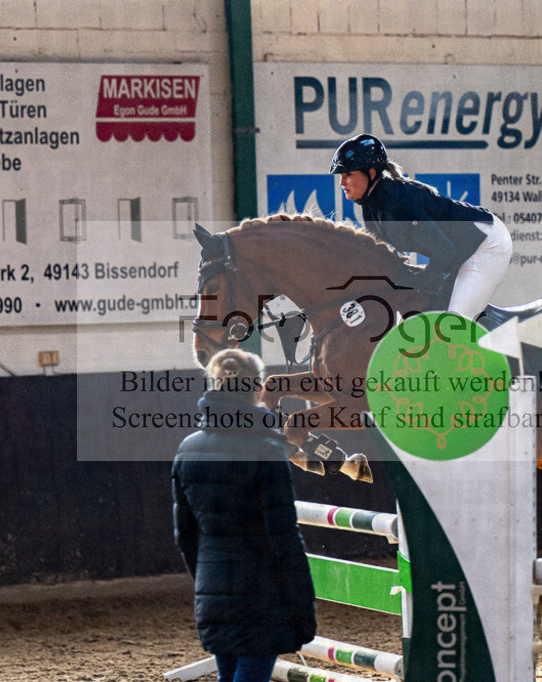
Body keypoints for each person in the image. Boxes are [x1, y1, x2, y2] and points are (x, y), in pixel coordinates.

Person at [172, 349, 316, 682]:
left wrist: (208, 581)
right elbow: (283, 536)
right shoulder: (267, 450)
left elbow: (185, 535)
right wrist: (301, 600)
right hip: (262, 593)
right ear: (257, 389)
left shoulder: (188, 448)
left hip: (213, 589)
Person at [330, 133, 514, 320]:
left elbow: (445, 252)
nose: (342, 182)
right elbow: (378, 257)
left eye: (348, 174)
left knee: (454, 323)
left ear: (370, 173)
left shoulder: (399, 201)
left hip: (486, 244)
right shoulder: (369, 205)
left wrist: (415, 283)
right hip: (460, 251)